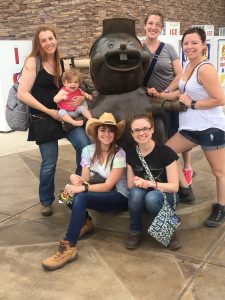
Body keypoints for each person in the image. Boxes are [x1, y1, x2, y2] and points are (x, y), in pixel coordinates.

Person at [17, 26, 90, 217]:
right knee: (49, 162)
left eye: (51, 38)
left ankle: (72, 190)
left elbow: (75, 89)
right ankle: (46, 200)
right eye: (44, 40)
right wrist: (49, 111)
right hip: (44, 118)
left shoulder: (63, 64)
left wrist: (80, 99)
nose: (48, 43)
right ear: (38, 43)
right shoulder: (33, 62)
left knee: (85, 147)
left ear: (56, 40)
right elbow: (22, 93)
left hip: (65, 115)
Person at [42, 112, 128, 271]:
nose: (106, 134)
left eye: (110, 130)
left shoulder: (119, 153)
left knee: (80, 198)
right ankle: (86, 222)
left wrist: (82, 187)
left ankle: (70, 247)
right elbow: (85, 178)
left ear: (115, 134)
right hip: (99, 191)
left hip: (118, 197)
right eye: (102, 130)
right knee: (64, 193)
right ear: (96, 132)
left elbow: (109, 186)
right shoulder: (88, 150)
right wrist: (75, 178)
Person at [157, 27, 225, 226]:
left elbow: (220, 99)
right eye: (186, 43)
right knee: (166, 152)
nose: (189, 46)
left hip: (210, 128)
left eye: (194, 43)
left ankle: (221, 207)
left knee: (219, 172)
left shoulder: (206, 69)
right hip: (190, 129)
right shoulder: (187, 66)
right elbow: (181, 93)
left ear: (204, 45)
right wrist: (160, 95)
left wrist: (193, 104)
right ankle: (186, 189)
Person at [143, 10, 193, 186]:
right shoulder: (138, 48)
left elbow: (179, 74)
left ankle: (186, 167)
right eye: (150, 23)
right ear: (144, 25)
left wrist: (164, 92)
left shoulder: (168, 48)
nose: (153, 27)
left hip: (170, 97)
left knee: (179, 132)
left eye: (157, 24)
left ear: (161, 28)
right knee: (160, 137)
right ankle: (168, 169)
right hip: (149, 101)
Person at [125, 113, 181, 250]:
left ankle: (169, 230)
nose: (141, 133)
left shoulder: (165, 152)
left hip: (165, 194)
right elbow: (130, 185)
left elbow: (174, 187)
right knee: (135, 193)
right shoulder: (131, 154)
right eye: (137, 130)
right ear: (132, 133)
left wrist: (151, 184)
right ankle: (135, 231)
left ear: (152, 129)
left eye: (145, 128)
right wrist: (137, 181)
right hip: (143, 194)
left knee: (151, 197)